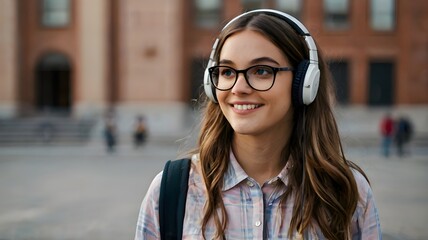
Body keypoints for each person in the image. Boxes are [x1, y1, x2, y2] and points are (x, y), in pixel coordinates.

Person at [135, 9, 381, 239]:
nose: (238, 88)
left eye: (262, 71)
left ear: (304, 83)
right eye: (227, 72)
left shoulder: (349, 194)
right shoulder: (171, 191)